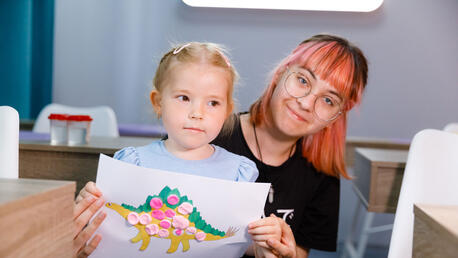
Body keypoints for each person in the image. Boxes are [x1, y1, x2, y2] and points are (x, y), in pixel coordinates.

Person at [74, 34, 368, 258]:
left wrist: (279, 250)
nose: (306, 103)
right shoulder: (202, 133)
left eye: (329, 100)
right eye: (303, 81)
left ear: (337, 116)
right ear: (281, 75)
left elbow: (288, 251)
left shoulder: (320, 173)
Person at [73, 42, 280, 257]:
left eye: (213, 103)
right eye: (184, 98)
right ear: (158, 102)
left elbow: (243, 243)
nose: (197, 113)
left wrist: (265, 242)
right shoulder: (131, 162)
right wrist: (88, 207)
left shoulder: (240, 172)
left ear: (227, 111)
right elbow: (102, 231)